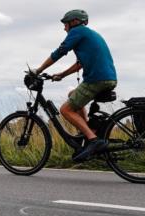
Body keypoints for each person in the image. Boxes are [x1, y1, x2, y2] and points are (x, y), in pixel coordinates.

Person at [34, 9, 117, 162]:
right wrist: (61, 75)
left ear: (74, 22)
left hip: (96, 79)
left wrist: (38, 70)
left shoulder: (77, 32)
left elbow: (59, 52)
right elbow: (80, 63)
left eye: (65, 24)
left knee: (65, 109)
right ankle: (87, 132)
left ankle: (93, 140)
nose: (64, 28)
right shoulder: (89, 34)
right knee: (73, 94)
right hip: (108, 78)